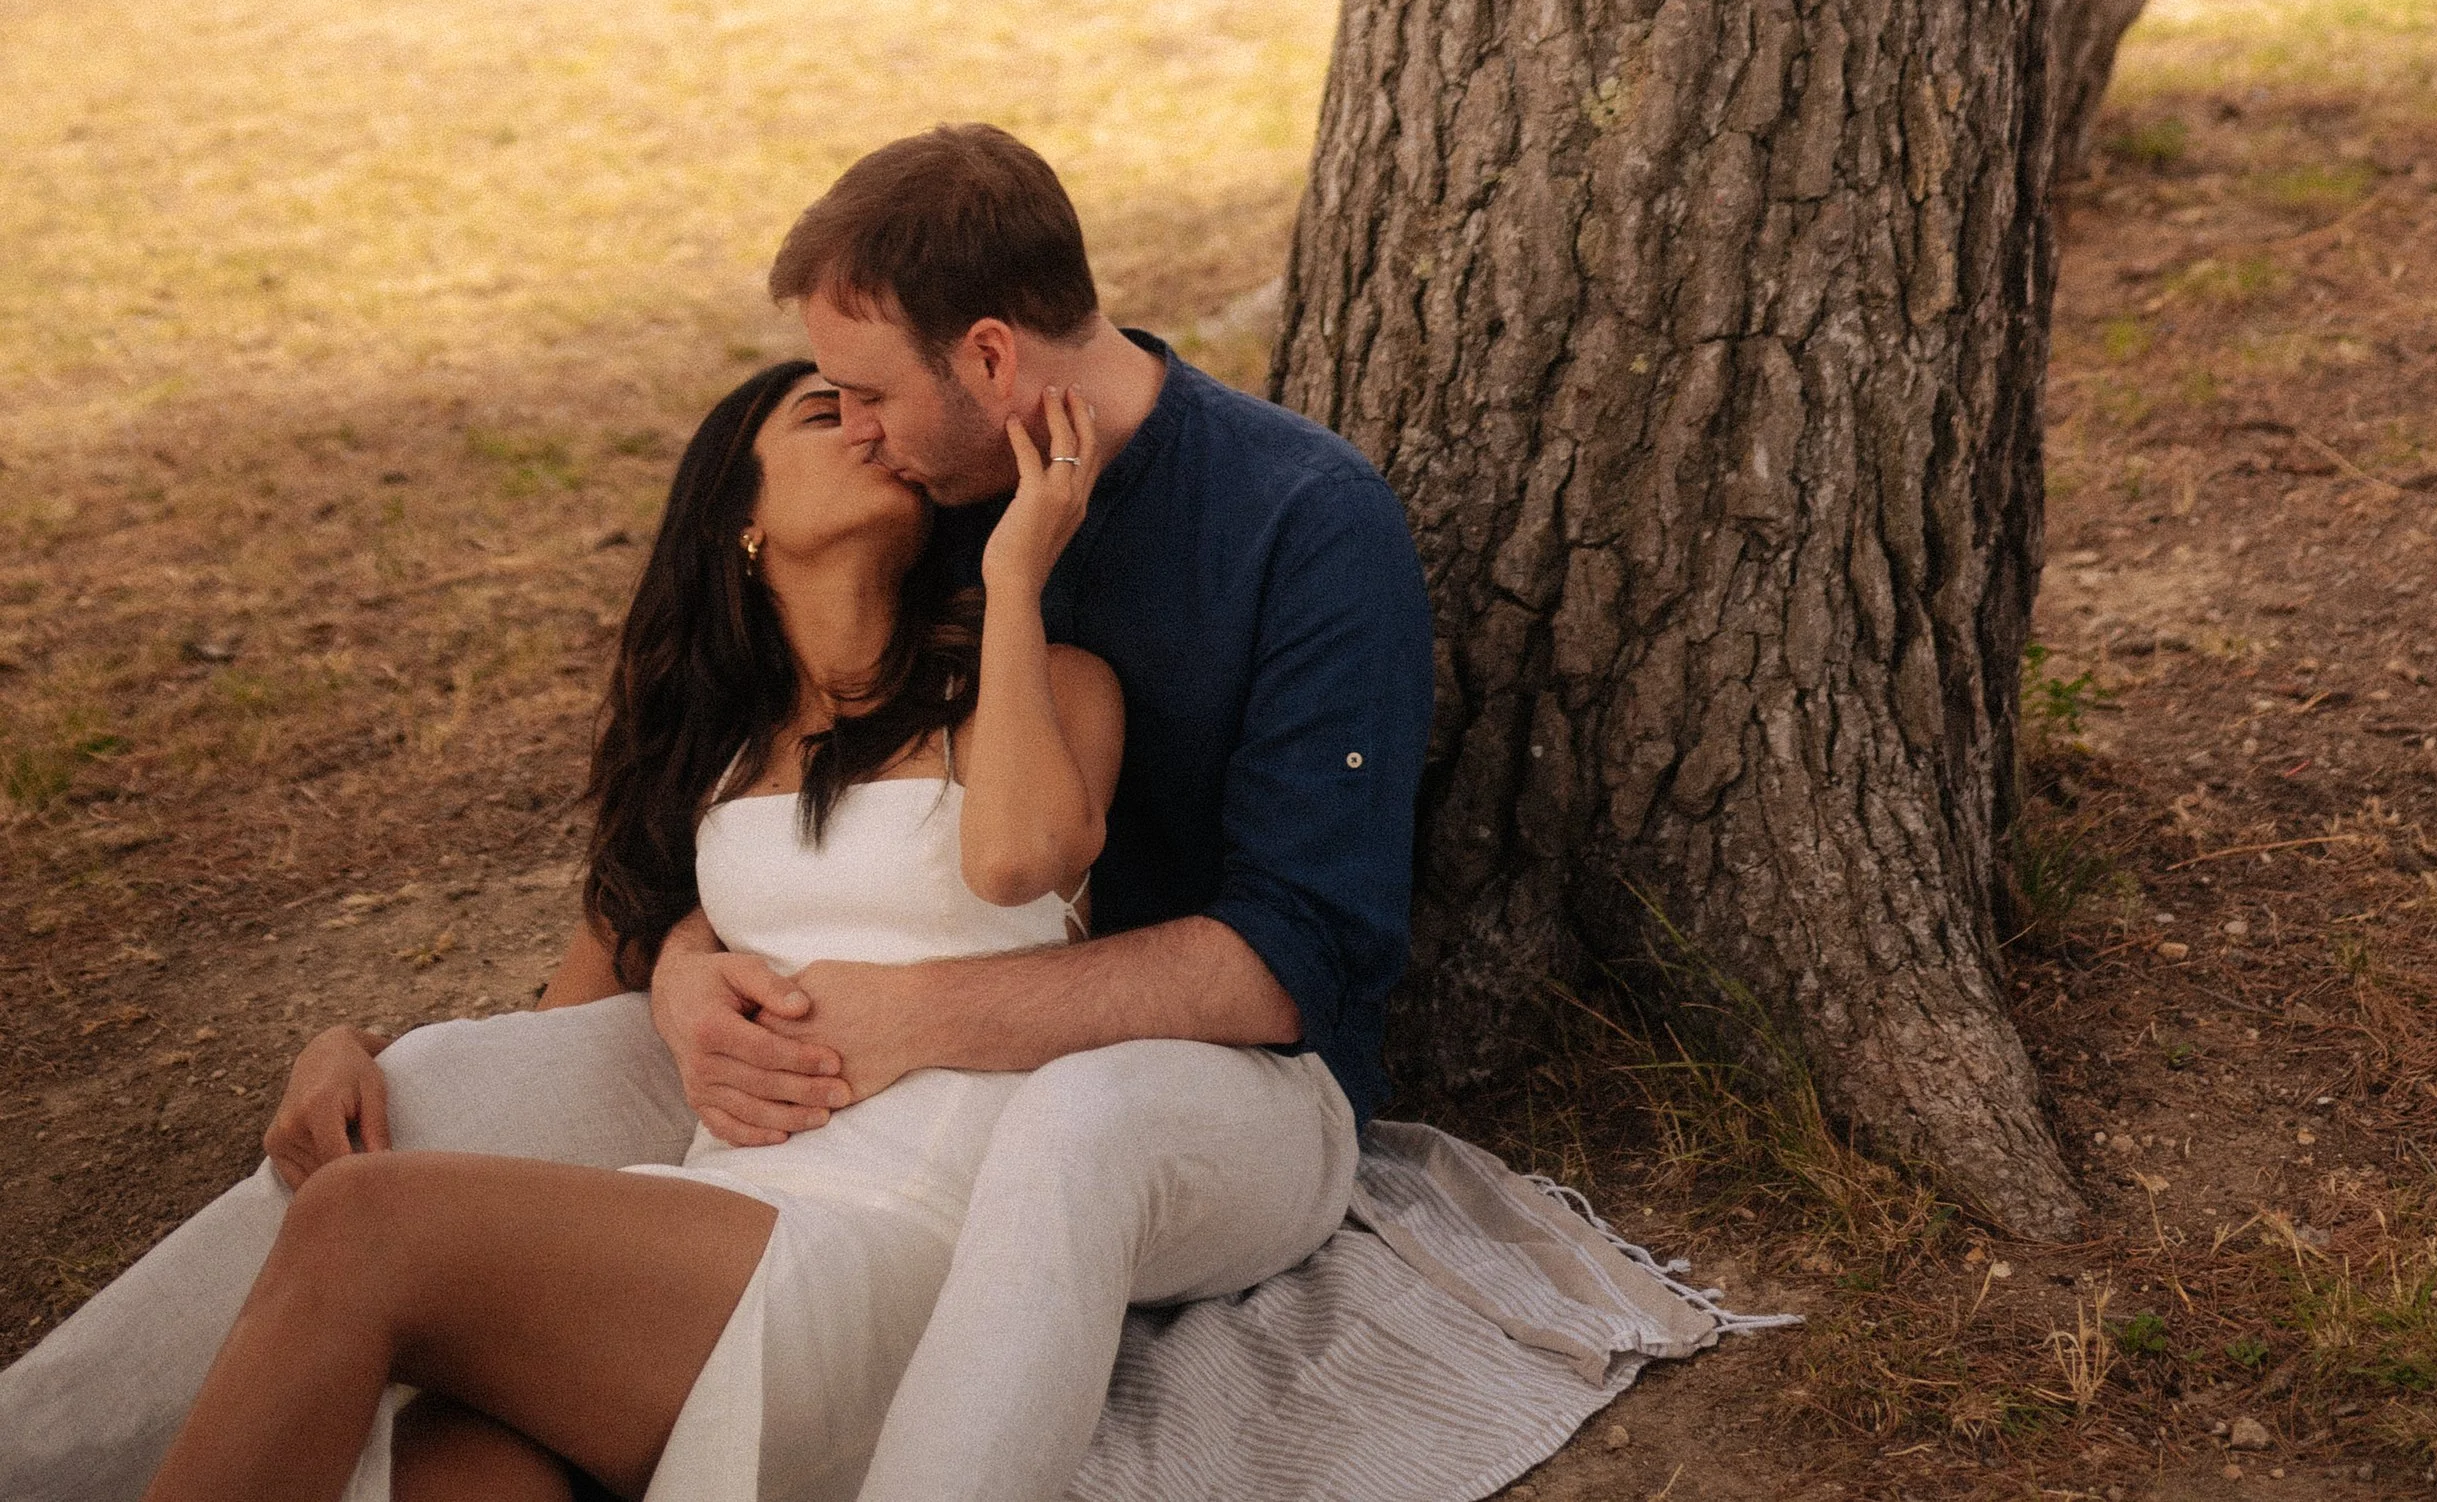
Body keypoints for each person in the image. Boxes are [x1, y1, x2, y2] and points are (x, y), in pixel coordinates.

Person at [1, 125, 1437, 1502]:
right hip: (834, 1099)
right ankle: (38, 1455)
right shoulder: (925, 481)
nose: (854, 427)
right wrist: (686, 976)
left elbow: (1285, 954)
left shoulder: (1299, 518)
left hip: (1190, 1077)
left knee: (1077, 1118)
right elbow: (756, 841)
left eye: (861, 390)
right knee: (426, 1150)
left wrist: (901, 1014)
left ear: (989, 356)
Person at [144, 346, 1124, 1500]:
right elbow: (555, 1033)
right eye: (827, 412)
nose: (869, 426)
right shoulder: (709, 769)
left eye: (875, 405)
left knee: (364, 1221)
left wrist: (1016, 575)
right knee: (454, 1459)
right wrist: (345, 1046)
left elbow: (1018, 858)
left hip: (913, 1255)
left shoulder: (1040, 682)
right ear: (739, 518)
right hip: (711, 1228)